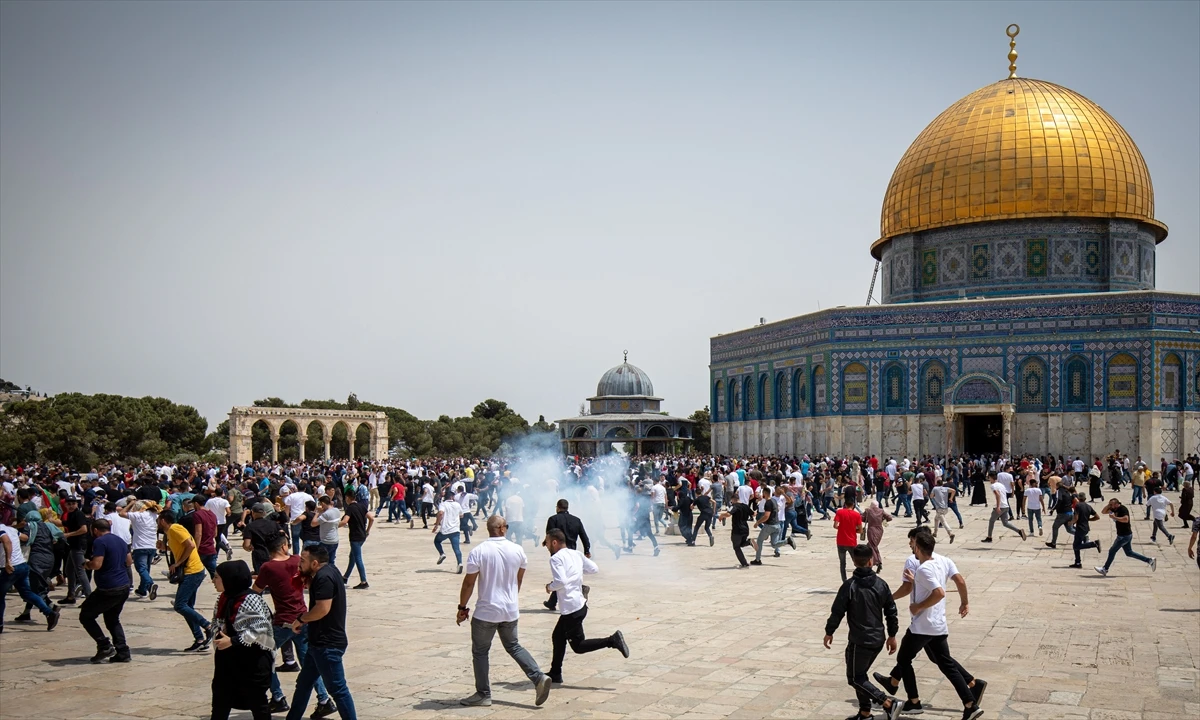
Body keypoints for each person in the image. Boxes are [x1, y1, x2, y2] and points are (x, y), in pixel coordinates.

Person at [874, 532, 983, 720]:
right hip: (938, 625)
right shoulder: (942, 562)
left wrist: (918, 606)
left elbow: (939, 592)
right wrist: (964, 602)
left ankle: (914, 702)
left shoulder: (924, 569)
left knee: (903, 660)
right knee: (946, 664)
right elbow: (960, 581)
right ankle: (970, 704)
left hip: (923, 626)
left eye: (913, 544)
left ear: (918, 547)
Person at [456, 515, 552, 708]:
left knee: (481, 652)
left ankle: (483, 693)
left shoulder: (479, 551)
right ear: (500, 528)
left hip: (486, 611)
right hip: (509, 609)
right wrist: (510, 600)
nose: (507, 528)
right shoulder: (518, 550)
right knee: (514, 646)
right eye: (506, 526)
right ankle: (538, 677)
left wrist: (462, 607)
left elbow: (469, 583)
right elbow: (518, 580)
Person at [254, 533, 334, 718]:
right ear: (283, 546)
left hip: (283, 621)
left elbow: (256, 591)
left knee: (262, 656)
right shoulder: (297, 560)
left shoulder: (268, 567)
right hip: (303, 617)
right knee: (308, 663)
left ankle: (277, 696)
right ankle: (324, 700)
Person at [823, 544, 903, 720]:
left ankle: (888, 703)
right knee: (861, 676)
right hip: (878, 639)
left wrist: (829, 632)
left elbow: (837, 611)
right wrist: (892, 635)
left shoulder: (849, 586)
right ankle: (865, 713)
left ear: (853, 561)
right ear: (871, 561)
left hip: (861, 641)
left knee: (855, 678)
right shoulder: (881, 584)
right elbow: (891, 611)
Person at [542, 528, 630, 684]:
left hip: (571, 608)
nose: (546, 545)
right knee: (558, 637)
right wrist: (576, 573)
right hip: (579, 604)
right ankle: (556, 672)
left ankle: (612, 640)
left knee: (578, 646)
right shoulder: (575, 554)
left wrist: (550, 587)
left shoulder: (555, 559)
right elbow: (594, 568)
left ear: (554, 542)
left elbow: (560, 581)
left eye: (547, 542)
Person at [287, 545, 357, 720]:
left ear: (315, 563)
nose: (299, 564)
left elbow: (322, 609)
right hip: (317, 642)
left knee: (338, 690)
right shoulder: (330, 570)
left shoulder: (324, 577)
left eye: (303, 561)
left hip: (327, 644)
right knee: (303, 684)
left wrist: (302, 619)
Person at [211, 560, 274, 720]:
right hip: (227, 661)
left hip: (251, 662)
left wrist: (232, 641)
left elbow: (260, 629)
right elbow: (216, 622)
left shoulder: (250, 600)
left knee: (258, 704)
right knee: (220, 702)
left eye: (217, 577)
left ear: (230, 579)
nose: (213, 580)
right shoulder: (223, 599)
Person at [79, 518, 133, 663]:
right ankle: (123, 652)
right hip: (124, 586)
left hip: (109, 588)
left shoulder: (99, 542)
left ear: (95, 530)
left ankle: (104, 645)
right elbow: (129, 561)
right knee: (112, 619)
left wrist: (86, 564)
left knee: (86, 615)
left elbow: (96, 564)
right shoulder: (120, 540)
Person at [160, 509, 215, 651]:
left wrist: (177, 564)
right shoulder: (170, 533)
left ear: (163, 521)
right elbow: (181, 547)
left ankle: (208, 626)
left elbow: (190, 545)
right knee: (187, 607)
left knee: (180, 605)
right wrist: (164, 547)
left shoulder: (175, 528)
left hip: (193, 571)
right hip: (191, 571)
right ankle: (199, 639)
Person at [0, 518, 61, 633]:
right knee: (27, 593)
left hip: (11, 567)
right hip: (22, 565)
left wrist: (8, 560)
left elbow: (6, 541)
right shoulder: (11, 530)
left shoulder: (1, 530)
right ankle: (50, 613)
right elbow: (25, 538)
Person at [543, 499, 592, 611]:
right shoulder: (576, 520)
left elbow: (550, 534)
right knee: (567, 575)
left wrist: (548, 546)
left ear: (558, 507)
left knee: (561, 577)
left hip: (558, 551)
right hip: (572, 552)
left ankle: (581, 590)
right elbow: (584, 536)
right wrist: (587, 550)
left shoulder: (553, 519)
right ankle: (552, 602)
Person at [1096, 498, 1156, 576]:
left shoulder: (1123, 509)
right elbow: (1103, 512)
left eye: (1112, 504)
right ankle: (1149, 560)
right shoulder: (1114, 509)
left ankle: (1105, 569)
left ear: (1117, 504)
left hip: (1124, 536)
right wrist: (1109, 505)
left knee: (1112, 551)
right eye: (1110, 504)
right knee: (1129, 553)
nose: (1110, 506)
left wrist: (1115, 518)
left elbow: (1126, 519)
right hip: (1125, 535)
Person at [341, 492, 374, 589]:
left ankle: (363, 581)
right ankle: (345, 577)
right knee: (353, 557)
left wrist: (333, 526)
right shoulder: (362, 506)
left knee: (358, 558)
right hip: (362, 535)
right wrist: (367, 531)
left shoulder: (350, 508)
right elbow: (371, 518)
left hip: (355, 536)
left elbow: (344, 521)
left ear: (347, 498)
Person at [982, 472, 1026, 543]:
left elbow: (998, 495)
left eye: (989, 477)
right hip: (1006, 505)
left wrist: (998, 506)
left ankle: (989, 537)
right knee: (1005, 523)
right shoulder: (1001, 485)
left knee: (991, 521)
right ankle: (1019, 531)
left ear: (991, 478)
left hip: (1001, 506)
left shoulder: (993, 486)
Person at [433, 491, 465, 573]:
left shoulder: (443, 504)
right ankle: (460, 563)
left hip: (445, 529)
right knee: (456, 549)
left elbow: (440, 513)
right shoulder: (457, 504)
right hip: (455, 530)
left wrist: (436, 525)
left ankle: (442, 554)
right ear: (451, 497)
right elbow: (462, 515)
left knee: (437, 541)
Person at [718, 495, 753, 568]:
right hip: (745, 529)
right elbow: (753, 514)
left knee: (736, 547)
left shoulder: (734, 506)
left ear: (733, 500)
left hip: (737, 529)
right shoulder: (745, 506)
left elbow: (728, 514)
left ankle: (744, 563)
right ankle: (749, 542)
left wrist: (722, 515)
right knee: (741, 543)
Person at [1068, 493, 1101, 569]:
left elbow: (1076, 518)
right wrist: (1089, 519)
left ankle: (1094, 544)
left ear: (1078, 498)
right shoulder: (1088, 506)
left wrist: (1071, 522)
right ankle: (1078, 562)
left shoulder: (1078, 506)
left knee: (1076, 546)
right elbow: (1097, 517)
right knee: (1076, 545)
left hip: (1080, 528)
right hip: (1086, 528)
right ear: (1085, 499)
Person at [834, 498, 863, 581]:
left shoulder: (840, 512)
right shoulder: (857, 515)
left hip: (840, 541)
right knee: (857, 562)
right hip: (851, 541)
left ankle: (844, 581)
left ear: (845, 505)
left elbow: (835, 525)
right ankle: (859, 578)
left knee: (842, 563)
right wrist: (853, 530)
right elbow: (861, 530)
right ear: (853, 505)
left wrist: (842, 528)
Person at [861, 500, 893, 573]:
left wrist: (869, 520)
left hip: (871, 529)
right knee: (872, 545)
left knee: (872, 546)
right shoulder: (881, 511)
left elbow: (862, 518)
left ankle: (878, 561)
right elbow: (890, 518)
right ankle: (873, 561)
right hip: (879, 529)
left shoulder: (868, 510)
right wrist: (882, 520)